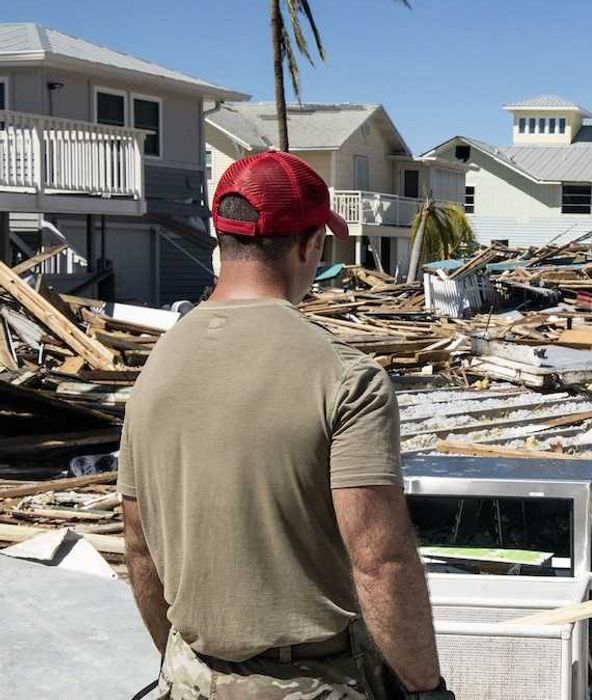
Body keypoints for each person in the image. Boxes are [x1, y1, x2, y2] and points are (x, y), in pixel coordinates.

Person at [119, 151, 452, 699]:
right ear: (310, 245)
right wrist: (426, 689)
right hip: (314, 682)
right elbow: (379, 561)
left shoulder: (155, 369)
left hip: (190, 676)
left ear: (222, 238)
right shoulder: (346, 377)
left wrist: (183, 665)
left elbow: (139, 550)